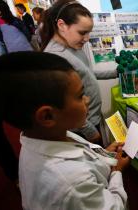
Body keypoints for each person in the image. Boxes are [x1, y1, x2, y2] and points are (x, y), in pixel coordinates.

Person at [0, 51, 130, 210]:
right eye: (80, 96)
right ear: (47, 116)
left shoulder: (47, 135)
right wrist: (116, 173)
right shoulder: (72, 182)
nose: (87, 100)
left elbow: (80, 151)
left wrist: (104, 155)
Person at [41, 0, 117, 145]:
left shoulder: (73, 47)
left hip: (91, 118)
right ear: (62, 26)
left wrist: (115, 72)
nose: (87, 39)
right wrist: (89, 130)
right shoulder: (55, 58)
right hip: (81, 128)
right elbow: (63, 104)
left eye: (88, 33)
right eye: (82, 33)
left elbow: (87, 73)